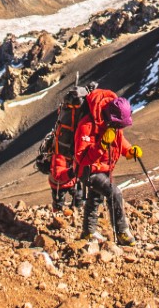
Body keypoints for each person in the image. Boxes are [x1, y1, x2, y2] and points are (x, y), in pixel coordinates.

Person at [73, 88, 141, 245]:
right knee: (114, 193)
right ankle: (122, 232)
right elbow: (81, 157)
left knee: (94, 198)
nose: (119, 129)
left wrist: (130, 151)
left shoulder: (113, 125)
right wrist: (102, 144)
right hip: (88, 170)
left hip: (104, 169)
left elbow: (120, 142)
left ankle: (88, 232)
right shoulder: (87, 125)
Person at [44, 86, 89, 214]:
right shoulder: (60, 155)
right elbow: (58, 175)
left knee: (73, 197)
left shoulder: (60, 148)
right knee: (64, 200)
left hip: (67, 181)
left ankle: (72, 212)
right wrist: (73, 172)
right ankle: (62, 215)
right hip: (61, 183)